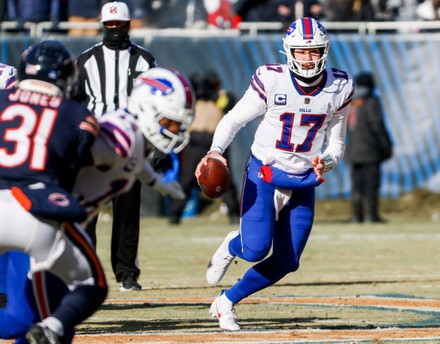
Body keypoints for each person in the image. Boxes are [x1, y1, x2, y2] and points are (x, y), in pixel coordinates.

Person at [0, 66, 195, 343]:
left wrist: (154, 181)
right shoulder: (118, 137)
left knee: (53, 327)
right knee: (25, 323)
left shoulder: (133, 135)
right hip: (44, 222)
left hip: (55, 227)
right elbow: (67, 154)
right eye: (171, 123)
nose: (176, 131)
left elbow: (132, 160)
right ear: (147, 108)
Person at [195, 17, 354, 331]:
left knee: (287, 261)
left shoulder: (341, 86)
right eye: (301, 51)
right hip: (265, 173)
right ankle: (232, 245)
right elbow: (233, 120)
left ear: (325, 51)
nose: (308, 58)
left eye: (314, 51)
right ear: (288, 51)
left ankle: (225, 302)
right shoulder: (271, 79)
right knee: (255, 249)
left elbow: (336, 142)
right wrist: (216, 150)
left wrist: (328, 161)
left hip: (304, 180)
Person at [0, 40, 108, 343]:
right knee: (88, 287)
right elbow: (76, 165)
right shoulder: (75, 114)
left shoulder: (3, 97)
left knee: (18, 313)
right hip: (32, 209)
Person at [74, 1, 159, 292]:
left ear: (127, 24)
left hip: (130, 144)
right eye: (108, 25)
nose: (113, 30)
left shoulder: (145, 60)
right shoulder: (86, 60)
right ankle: (85, 271)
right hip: (93, 144)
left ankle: (127, 273)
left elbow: (155, 105)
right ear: (102, 25)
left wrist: (155, 144)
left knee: (127, 211)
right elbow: (74, 105)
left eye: (118, 24)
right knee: (86, 212)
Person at [168, 69, 240, 225]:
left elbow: (228, 105)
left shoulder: (223, 96)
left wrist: (212, 94)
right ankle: (174, 215)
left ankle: (234, 213)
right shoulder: (195, 97)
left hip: (217, 143)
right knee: (186, 179)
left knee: (224, 178)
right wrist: (197, 90)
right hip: (194, 142)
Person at [346, 71, 393, 223]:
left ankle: (356, 216)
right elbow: (377, 125)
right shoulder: (371, 101)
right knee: (371, 184)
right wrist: (387, 145)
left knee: (357, 185)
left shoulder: (350, 102)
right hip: (370, 150)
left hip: (353, 151)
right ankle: (371, 216)